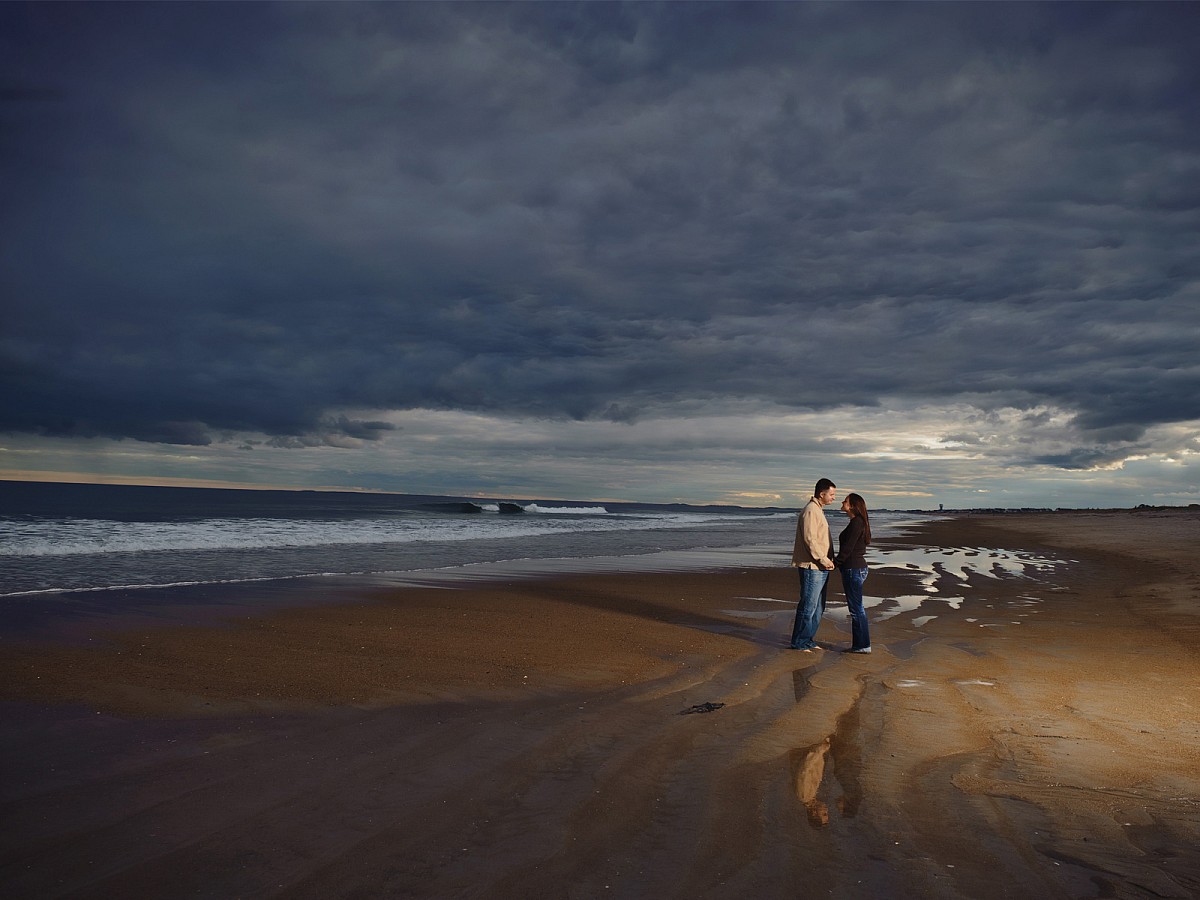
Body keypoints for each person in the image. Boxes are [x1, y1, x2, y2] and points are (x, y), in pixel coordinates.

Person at [789, 478, 836, 651]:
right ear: (821, 494)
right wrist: (824, 559)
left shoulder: (818, 510)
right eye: (831, 494)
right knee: (808, 606)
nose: (833, 498)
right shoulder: (811, 510)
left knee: (818, 607)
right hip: (812, 566)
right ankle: (798, 642)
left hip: (821, 567)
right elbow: (810, 540)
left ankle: (807, 639)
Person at [835, 492, 872, 653]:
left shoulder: (857, 523)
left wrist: (835, 563)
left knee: (856, 609)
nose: (842, 502)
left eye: (846, 501)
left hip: (853, 569)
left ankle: (862, 646)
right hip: (855, 568)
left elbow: (848, 548)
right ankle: (862, 645)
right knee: (857, 608)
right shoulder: (857, 522)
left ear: (852, 506)